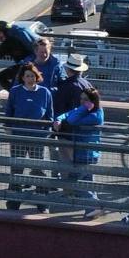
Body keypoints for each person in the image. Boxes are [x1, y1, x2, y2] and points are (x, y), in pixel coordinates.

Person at [4, 62, 55, 210]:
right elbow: (9, 111)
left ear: (37, 77)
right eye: (27, 76)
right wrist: (8, 127)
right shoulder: (15, 91)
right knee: (17, 168)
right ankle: (13, 201)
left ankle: (42, 201)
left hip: (37, 137)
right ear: (23, 78)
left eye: (32, 76)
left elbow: (49, 115)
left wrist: (46, 132)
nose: (30, 79)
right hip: (18, 136)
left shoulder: (45, 92)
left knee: (38, 169)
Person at [53, 86, 107, 219]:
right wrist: (58, 120)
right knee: (87, 182)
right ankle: (92, 209)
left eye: (86, 100)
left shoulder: (96, 115)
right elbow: (67, 114)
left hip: (88, 154)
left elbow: (72, 120)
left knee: (74, 181)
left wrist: (84, 108)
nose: (82, 102)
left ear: (93, 101)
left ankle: (95, 205)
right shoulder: (83, 111)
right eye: (81, 99)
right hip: (81, 153)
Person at [0, 19, 43, 89]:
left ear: (3, 32)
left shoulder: (10, 41)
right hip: (34, 62)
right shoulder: (15, 36)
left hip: (28, 65)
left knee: (0, 76)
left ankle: (15, 96)